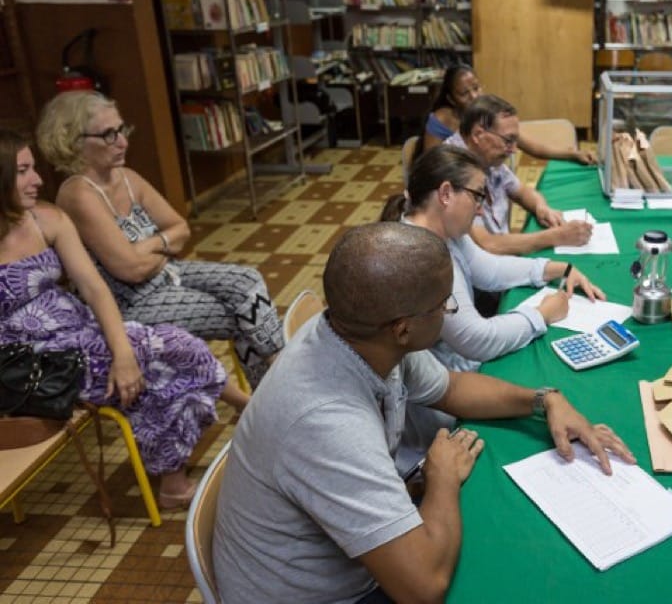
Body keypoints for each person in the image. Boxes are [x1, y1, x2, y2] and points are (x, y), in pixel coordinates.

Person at [213, 221, 633, 603]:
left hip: (342, 560)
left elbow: (453, 388)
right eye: (444, 305)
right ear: (403, 328)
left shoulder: (359, 334)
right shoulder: (326, 422)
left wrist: (545, 400)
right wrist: (442, 479)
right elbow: (422, 588)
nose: (450, 310)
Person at [0, 131, 228, 509]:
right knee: (170, 355)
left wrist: (121, 352)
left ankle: (176, 478)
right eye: (23, 170)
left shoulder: (46, 218)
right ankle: (231, 424)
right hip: (32, 365)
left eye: (34, 168)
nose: (38, 180)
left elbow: (93, 288)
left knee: (160, 359)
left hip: (82, 333)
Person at [37, 91, 283, 390]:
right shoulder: (77, 193)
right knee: (237, 315)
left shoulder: (126, 176)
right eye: (109, 135)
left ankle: (278, 380)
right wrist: (160, 247)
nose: (123, 142)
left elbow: (181, 228)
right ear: (74, 141)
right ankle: (279, 388)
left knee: (248, 281)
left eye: (121, 130)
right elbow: (130, 271)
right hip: (128, 303)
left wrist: (149, 246)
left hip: (166, 277)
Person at [381, 145, 605, 446]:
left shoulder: (447, 234)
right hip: (435, 411)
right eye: (478, 196)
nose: (482, 208)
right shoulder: (420, 255)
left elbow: (491, 270)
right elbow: (477, 339)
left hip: (447, 382)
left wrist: (554, 268)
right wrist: (542, 315)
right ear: (446, 193)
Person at [445, 94, 593, 256]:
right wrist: (556, 236)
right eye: (508, 141)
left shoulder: (485, 155)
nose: (514, 149)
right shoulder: (453, 171)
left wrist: (541, 207)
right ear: (478, 135)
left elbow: (521, 191)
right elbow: (487, 245)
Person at [418, 64, 596, 166]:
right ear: (451, 98)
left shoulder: (487, 112)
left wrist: (573, 154)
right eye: (464, 93)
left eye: (476, 88)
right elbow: (432, 166)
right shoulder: (441, 120)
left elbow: (533, 147)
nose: (474, 96)